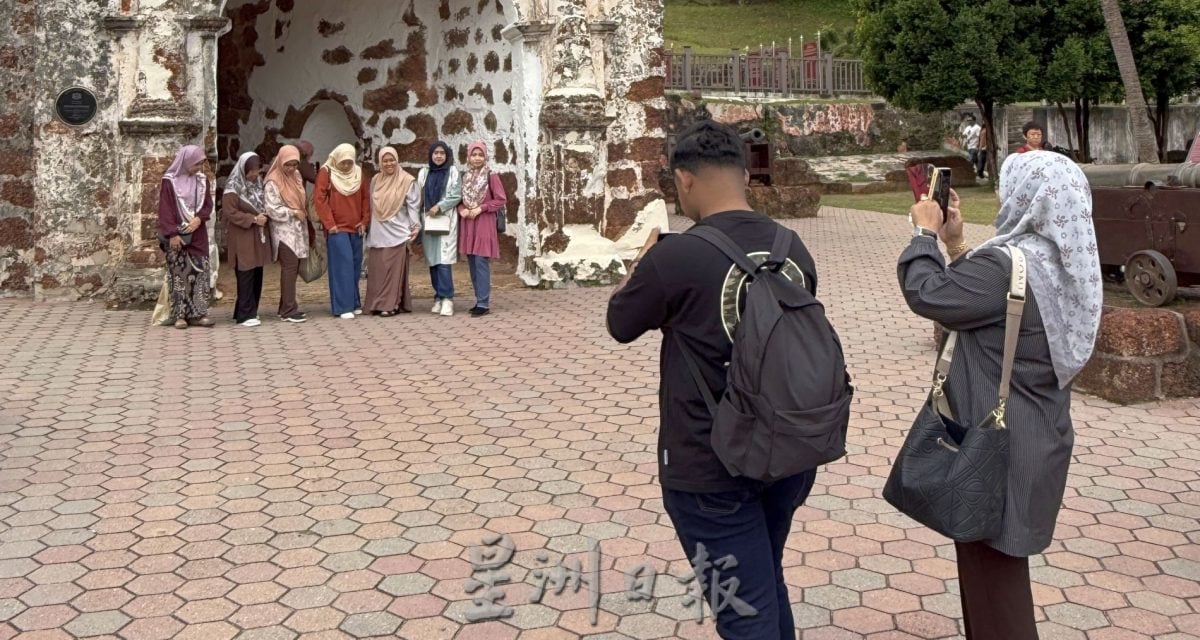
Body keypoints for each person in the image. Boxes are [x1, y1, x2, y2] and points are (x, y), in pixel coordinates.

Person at [607, 120, 821, 639]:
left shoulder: (675, 256)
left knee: (744, 608)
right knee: (763, 582)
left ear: (684, 180)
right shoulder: (792, 248)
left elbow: (620, 324)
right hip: (788, 449)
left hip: (709, 462)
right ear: (746, 176)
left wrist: (641, 265)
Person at [900, 151, 1101, 640]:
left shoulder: (1010, 263)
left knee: (993, 580)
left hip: (995, 444)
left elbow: (929, 295)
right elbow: (987, 304)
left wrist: (925, 233)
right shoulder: (1064, 261)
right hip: (1038, 433)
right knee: (998, 568)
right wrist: (956, 243)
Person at [158, 145, 216, 329]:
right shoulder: (169, 182)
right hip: (177, 234)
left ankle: (198, 313)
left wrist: (200, 218)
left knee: (200, 271)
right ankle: (180, 315)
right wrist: (172, 234)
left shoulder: (201, 180)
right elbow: (165, 210)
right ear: (186, 162)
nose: (198, 167)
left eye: (201, 163)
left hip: (197, 233)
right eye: (196, 164)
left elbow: (207, 204)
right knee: (179, 275)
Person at [314, 143, 370, 319]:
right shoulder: (326, 172)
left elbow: (365, 198)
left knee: (354, 265)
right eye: (343, 162)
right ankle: (342, 306)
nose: (346, 166)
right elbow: (320, 199)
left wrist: (364, 221)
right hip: (337, 229)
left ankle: (353, 302)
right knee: (341, 266)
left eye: (349, 162)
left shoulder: (358, 173)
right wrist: (330, 224)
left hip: (356, 227)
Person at [365, 146, 421, 316]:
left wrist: (415, 226)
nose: (389, 163)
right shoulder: (376, 180)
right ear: (380, 162)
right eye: (385, 160)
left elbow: (413, 207)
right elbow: (370, 205)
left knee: (392, 270)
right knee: (378, 269)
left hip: (397, 231)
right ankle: (376, 304)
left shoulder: (407, 181)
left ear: (397, 161)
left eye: (392, 160)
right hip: (378, 230)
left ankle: (390, 305)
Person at [222, 152, 272, 327]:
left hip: (257, 235)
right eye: (251, 171)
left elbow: (262, 203)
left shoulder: (257, 184)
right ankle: (245, 314)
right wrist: (252, 219)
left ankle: (250, 310)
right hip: (242, 235)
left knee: (257, 271)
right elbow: (230, 212)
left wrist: (264, 215)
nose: (254, 175)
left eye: (257, 171)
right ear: (243, 170)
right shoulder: (233, 187)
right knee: (245, 271)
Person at [457, 141, 506, 317]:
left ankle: (483, 303)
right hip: (469, 222)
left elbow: (500, 199)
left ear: (485, 157)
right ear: (468, 157)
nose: (477, 158)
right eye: (473, 155)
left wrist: (481, 208)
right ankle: (478, 299)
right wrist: (462, 209)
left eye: (480, 155)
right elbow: (459, 199)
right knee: (471, 261)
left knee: (480, 261)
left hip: (483, 222)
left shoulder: (491, 176)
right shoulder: (465, 176)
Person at [263, 145, 310, 323]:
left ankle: (285, 307)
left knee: (294, 267)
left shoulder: (296, 176)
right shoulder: (273, 181)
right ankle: (289, 310)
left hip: (298, 228)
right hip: (283, 231)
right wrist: (292, 212)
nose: (291, 169)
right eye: (288, 165)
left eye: (294, 164)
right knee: (290, 267)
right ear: (280, 161)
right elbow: (271, 208)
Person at [419, 141, 463, 317]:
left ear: (447, 155)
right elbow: (418, 195)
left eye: (442, 153)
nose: (438, 156)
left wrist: (440, 206)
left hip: (446, 220)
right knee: (432, 261)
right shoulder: (424, 172)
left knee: (444, 260)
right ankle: (437, 296)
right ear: (430, 155)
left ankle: (447, 298)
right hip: (429, 221)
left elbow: (456, 195)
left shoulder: (452, 172)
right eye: (435, 153)